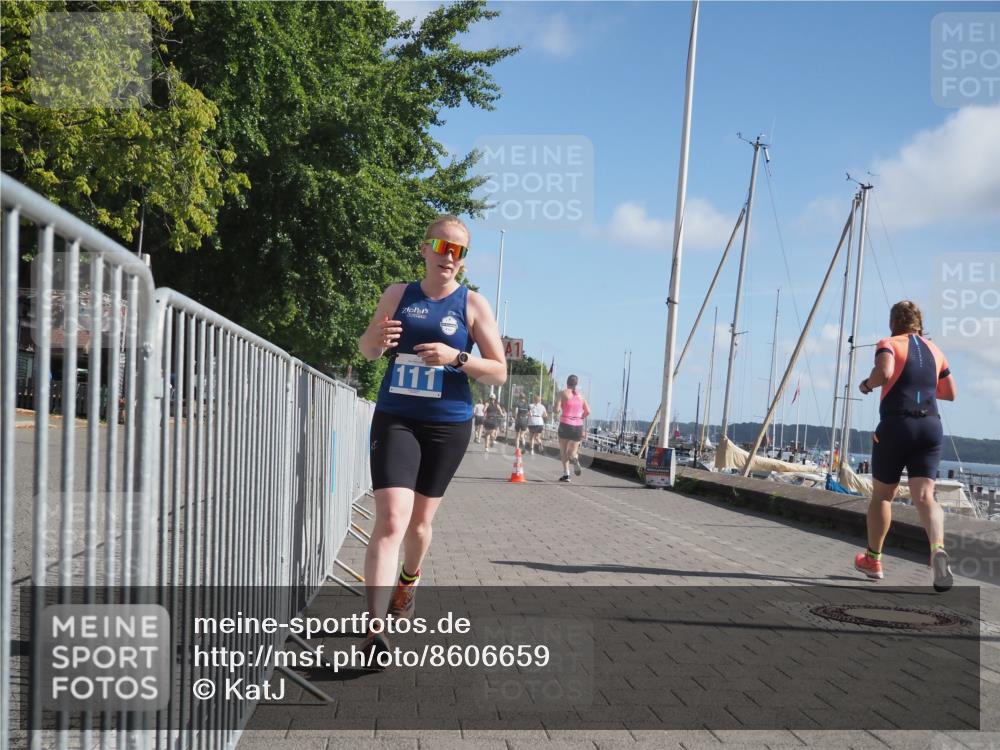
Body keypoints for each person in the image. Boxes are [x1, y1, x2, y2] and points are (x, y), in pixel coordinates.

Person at [357, 214, 506, 660]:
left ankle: (410, 576)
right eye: (440, 247)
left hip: (447, 423)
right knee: (390, 520)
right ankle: (374, 631)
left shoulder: (473, 305)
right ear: (424, 249)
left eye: (457, 251)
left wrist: (456, 356)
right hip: (396, 417)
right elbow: (367, 351)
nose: (448, 257)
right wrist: (376, 338)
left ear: (463, 261)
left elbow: (499, 371)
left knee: (420, 525)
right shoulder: (398, 294)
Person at [853, 300, 957, 592]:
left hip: (898, 424)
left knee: (883, 496)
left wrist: (867, 385)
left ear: (893, 323)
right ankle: (937, 548)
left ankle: (873, 560)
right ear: (919, 323)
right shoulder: (936, 351)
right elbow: (950, 392)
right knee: (925, 496)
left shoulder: (889, 343)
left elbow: (884, 373)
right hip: (930, 427)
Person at [554, 374, 590, 482]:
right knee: (573, 452)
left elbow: (556, 410)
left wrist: (558, 409)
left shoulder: (562, 393)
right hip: (578, 426)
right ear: (576, 384)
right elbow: (588, 411)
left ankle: (567, 474)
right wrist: (580, 417)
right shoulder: (581, 397)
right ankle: (575, 459)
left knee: (563, 451)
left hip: (565, 424)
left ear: (567, 382)